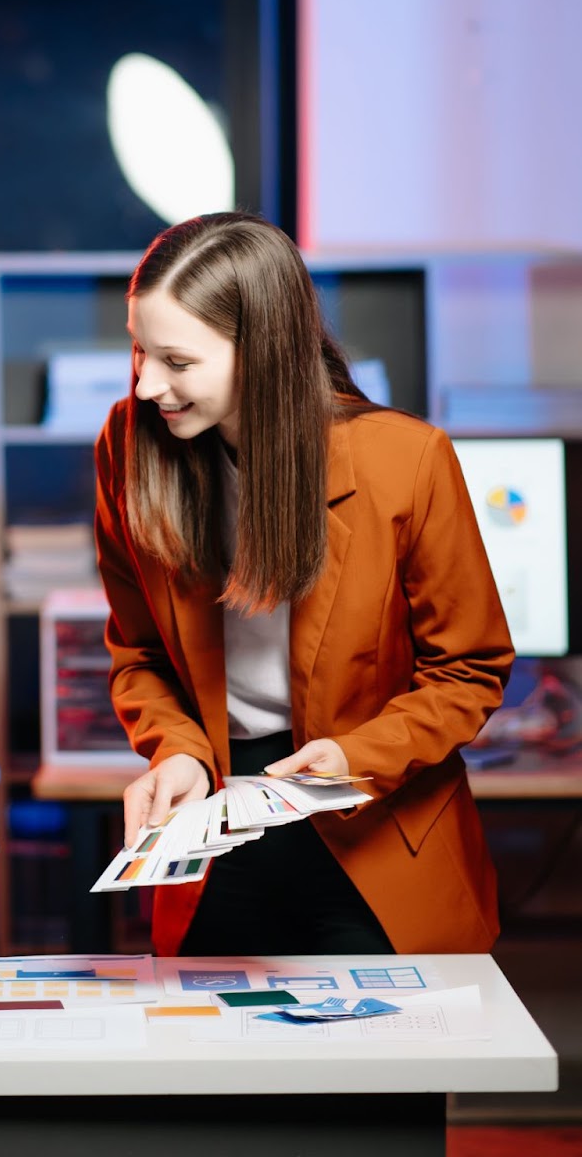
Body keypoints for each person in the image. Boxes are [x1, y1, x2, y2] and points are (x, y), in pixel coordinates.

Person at [95, 213, 515, 956]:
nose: (148, 383)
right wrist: (180, 752)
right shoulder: (128, 446)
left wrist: (356, 757)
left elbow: (468, 671)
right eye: (139, 351)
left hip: (373, 813)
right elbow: (139, 655)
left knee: (381, 1064)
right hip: (217, 811)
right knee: (215, 1059)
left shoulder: (407, 460)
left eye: (176, 360)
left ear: (261, 353)